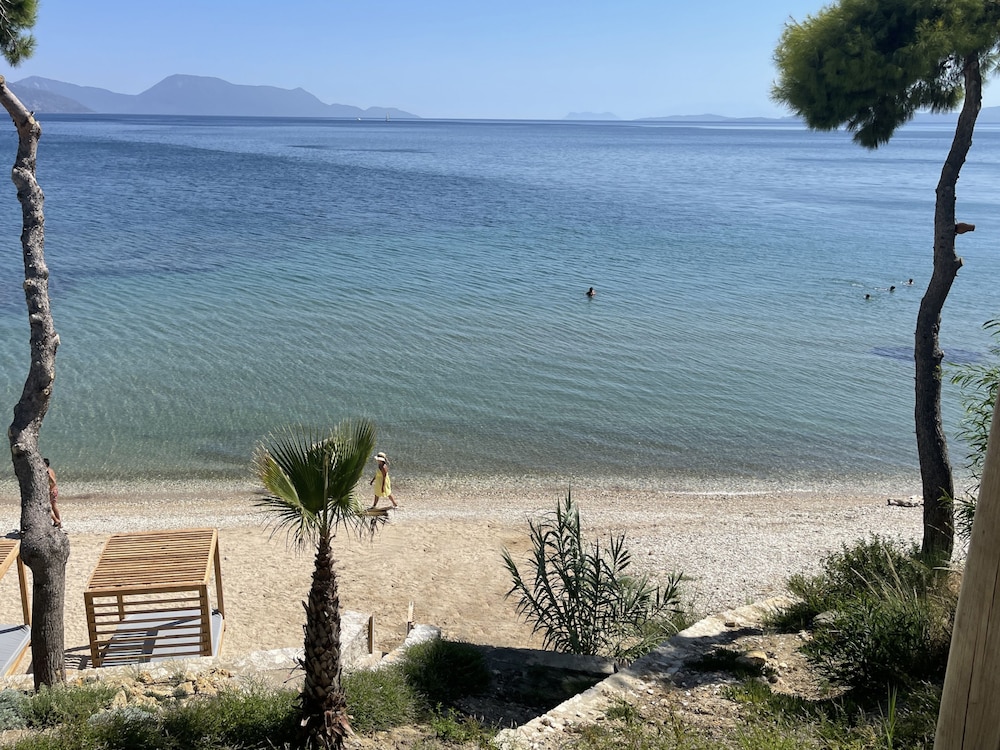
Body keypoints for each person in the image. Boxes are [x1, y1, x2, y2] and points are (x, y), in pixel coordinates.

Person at [44, 458, 61, 528]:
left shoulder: (47, 471)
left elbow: (53, 482)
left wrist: (48, 475)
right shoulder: (51, 470)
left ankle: (56, 520)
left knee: (45, 507)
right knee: (54, 507)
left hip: (52, 491)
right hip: (55, 490)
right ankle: (59, 523)